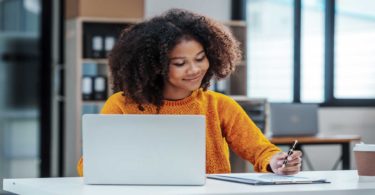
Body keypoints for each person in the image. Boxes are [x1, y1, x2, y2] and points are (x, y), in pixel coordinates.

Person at [77, 8, 302, 176]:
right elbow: (89, 166)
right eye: (179, 63)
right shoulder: (121, 104)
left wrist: (277, 161)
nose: (194, 70)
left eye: (200, 58)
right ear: (155, 65)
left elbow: (260, 150)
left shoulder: (219, 105)